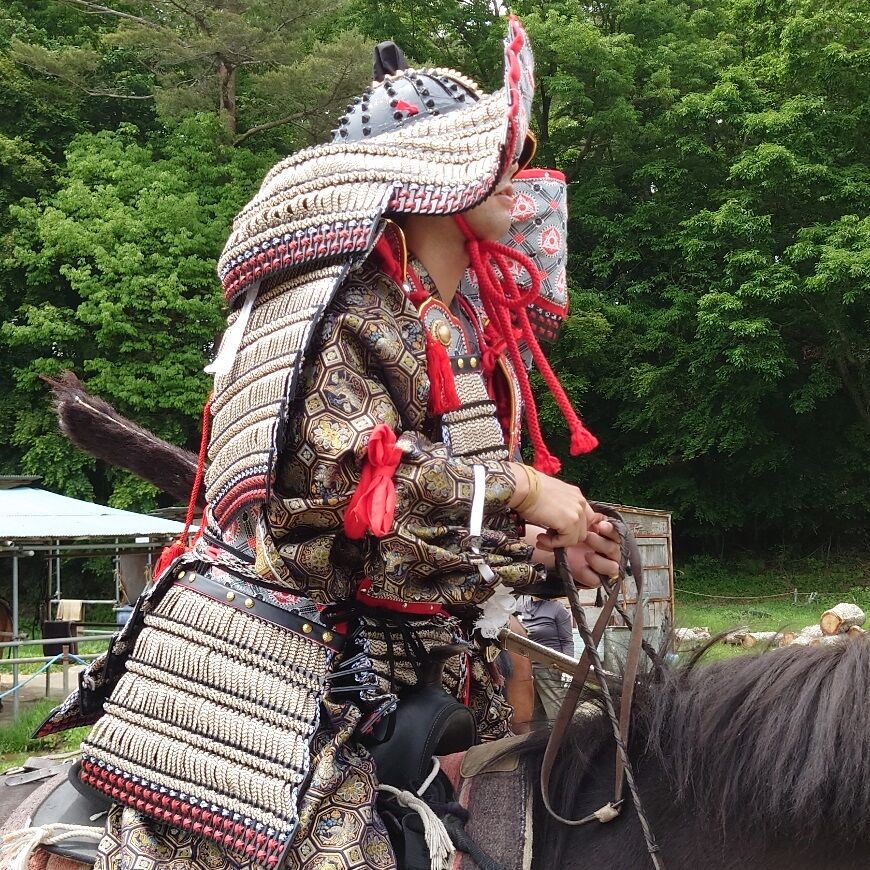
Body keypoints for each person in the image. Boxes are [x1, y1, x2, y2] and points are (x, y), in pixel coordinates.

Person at [37, 17, 622, 870]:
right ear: (428, 170)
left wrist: (542, 561)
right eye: (495, 155)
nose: (518, 176)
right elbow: (348, 480)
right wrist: (529, 491)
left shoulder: (450, 330)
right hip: (284, 660)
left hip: (404, 661)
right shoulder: (340, 307)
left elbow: (416, 542)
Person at [519, 596, 574, 727]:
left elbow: (567, 641)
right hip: (526, 672)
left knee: (557, 717)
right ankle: (540, 745)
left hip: (550, 670)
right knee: (533, 719)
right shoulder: (521, 607)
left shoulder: (557, 609)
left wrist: (568, 668)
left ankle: (563, 745)